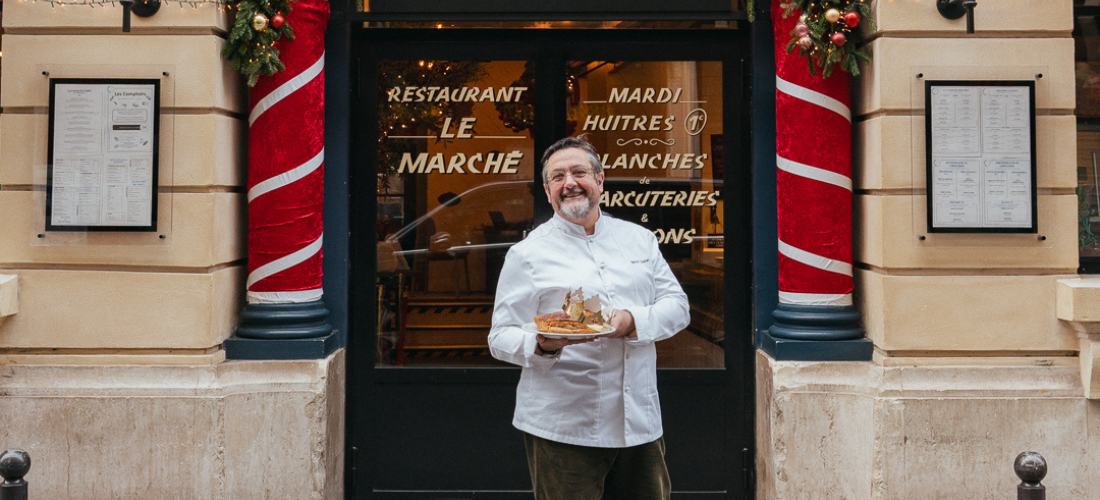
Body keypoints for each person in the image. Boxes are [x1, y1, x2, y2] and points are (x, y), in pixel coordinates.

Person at [487, 135, 691, 500]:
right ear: (548, 191)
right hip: (563, 427)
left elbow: (677, 306)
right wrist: (542, 344)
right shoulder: (527, 254)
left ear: (599, 180)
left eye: (579, 172)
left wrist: (630, 321)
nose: (569, 183)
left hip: (639, 423)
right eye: (557, 177)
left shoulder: (639, 240)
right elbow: (500, 336)